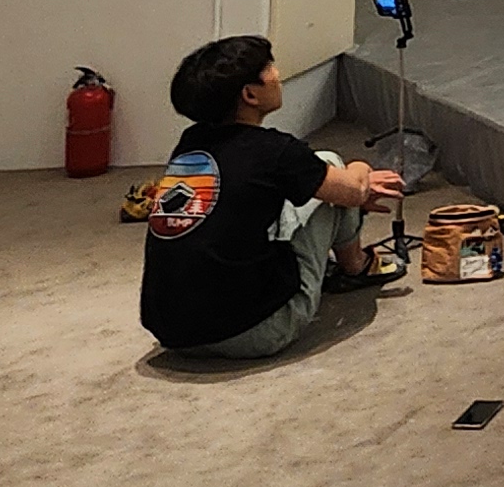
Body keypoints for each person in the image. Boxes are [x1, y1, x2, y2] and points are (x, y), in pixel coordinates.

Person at [139, 33, 410, 360]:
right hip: (257, 333)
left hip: (172, 333)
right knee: (332, 165)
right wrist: (360, 169)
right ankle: (355, 266)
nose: (277, 74)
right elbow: (353, 191)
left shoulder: (190, 145)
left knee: (308, 185)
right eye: (269, 68)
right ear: (250, 94)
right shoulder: (274, 152)